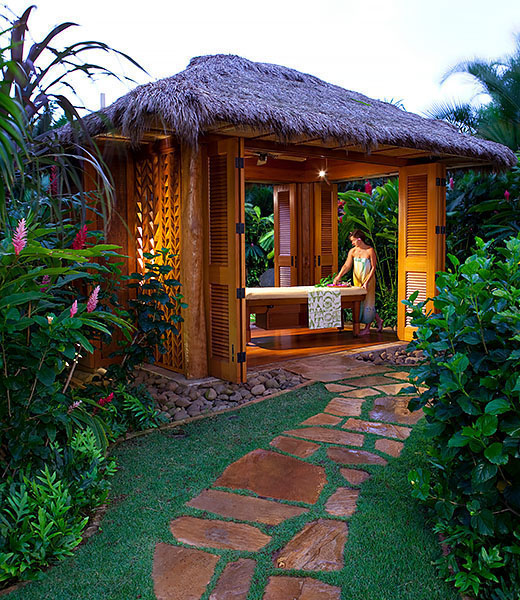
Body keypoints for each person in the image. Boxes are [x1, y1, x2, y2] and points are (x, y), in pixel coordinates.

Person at [333, 229, 383, 335]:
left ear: (359, 240)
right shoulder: (353, 251)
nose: (352, 243)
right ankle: (378, 320)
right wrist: (338, 276)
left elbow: (374, 267)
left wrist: (366, 282)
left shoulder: (370, 250)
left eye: (353, 241)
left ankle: (367, 328)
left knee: (369, 301)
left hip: (368, 279)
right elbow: (347, 265)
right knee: (360, 302)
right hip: (357, 279)